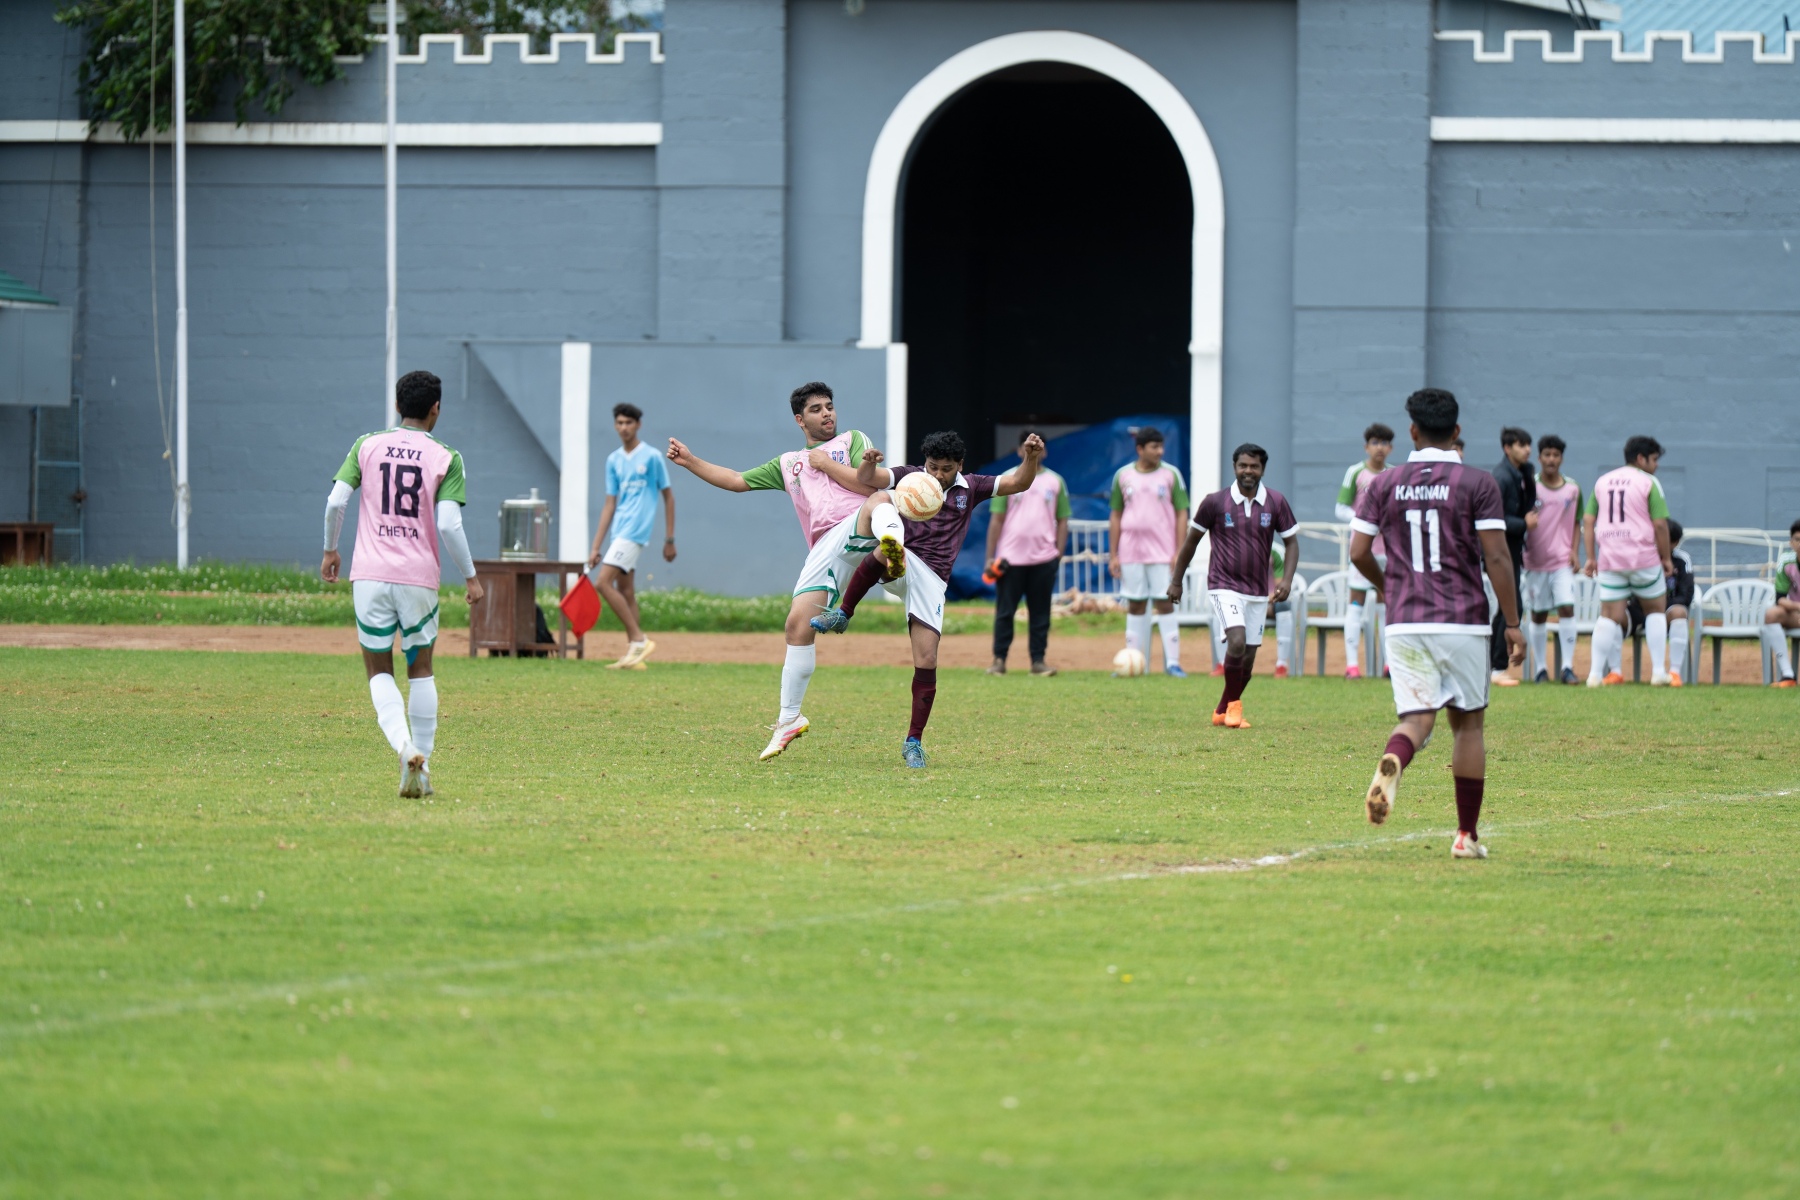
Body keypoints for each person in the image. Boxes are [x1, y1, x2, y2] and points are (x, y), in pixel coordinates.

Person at [667, 381, 892, 761]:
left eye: (829, 406)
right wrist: (690, 461)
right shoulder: (788, 464)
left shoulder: (852, 440)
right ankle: (789, 718)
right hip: (825, 547)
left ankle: (894, 551)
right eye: (817, 409)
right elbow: (736, 481)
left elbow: (866, 482)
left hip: (860, 522)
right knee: (797, 626)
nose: (827, 413)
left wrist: (827, 463)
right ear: (800, 420)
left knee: (881, 500)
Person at [1352, 387, 1523, 861]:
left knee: (1416, 719)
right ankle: (1466, 836)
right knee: (1468, 727)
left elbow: (1359, 552)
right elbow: (1497, 556)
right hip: (1462, 620)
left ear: (1412, 431)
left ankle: (1395, 757)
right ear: (1457, 430)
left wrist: (1389, 587)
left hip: (1406, 620)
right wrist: (1512, 622)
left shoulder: (1382, 484)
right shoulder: (1477, 482)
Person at [809, 430, 1046, 767]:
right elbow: (870, 479)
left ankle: (913, 743)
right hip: (903, 561)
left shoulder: (972, 487)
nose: (937, 475)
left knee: (927, 659)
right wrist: (868, 464)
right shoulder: (910, 477)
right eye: (932, 466)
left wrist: (1031, 458)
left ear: (959, 465)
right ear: (925, 463)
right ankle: (844, 612)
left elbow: (1018, 483)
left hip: (932, 580)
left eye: (946, 469)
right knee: (881, 504)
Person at [320, 370, 483, 798]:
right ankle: (422, 765)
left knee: (378, 670)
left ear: (397, 406)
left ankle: (403, 746)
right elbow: (448, 525)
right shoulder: (446, 456)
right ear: (436, 409)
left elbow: (336, 501)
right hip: (417, 577)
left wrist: (330, 549)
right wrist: (470, 576)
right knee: (421, 669)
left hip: (370, 575)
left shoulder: (366, 445)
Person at [1169, 444, 1299, 729]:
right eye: (1243, 465)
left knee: (1248, 659)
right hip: (1223, 585)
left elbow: (1291, 543)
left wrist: (1287, 580)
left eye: (1254, 466)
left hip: (1257, 591)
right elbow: (1191, 542)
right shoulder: (1215, 502)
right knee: (1237, 641)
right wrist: (1177, 581)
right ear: (1234, 467)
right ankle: (1234, 708)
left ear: (1262, 469)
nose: (1248, 471)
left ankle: (1222, 708)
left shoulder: (1276, 502)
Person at [585, 403, 675, 670]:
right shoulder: (613, 460)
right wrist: (596, 546)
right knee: (625, 591)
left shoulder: (652, 457)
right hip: (619, 531)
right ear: (615, 425)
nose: (624, 427)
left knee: (602, 583)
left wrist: (669, 539)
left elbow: (668, 497)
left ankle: (638, 639)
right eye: (620, 423)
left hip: (635, 531)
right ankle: (635, 657)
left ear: (638, 425)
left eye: (629, 423)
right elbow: (609, 504)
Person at [1582, 435, 1676, 687]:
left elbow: (1588, 520)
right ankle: (1658, 672)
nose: (1656, 465)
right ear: (1641, 459)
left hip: (1610, 558)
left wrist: (1590, 557)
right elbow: (1660, 524)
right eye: (1654, 459)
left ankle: (1594, 675)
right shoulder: (1649, 482)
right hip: (1643, 557)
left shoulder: (1602, 481)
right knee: (1655, 610)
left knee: (1608, 616)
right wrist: (1666, 557)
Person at [985, 429, 1069, 677]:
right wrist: (990, 557)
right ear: (1020, 450)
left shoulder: (1055, 481)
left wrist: (1058, 554)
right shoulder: (1008, 479)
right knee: (1005, 612)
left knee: (1041, 613)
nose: (1032, 450)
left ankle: (1038, 662)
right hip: (1009, 559)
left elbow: (1063, 519)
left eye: (1038, 446)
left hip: (1044, 559)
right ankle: (999, 660)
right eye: (1027, 445)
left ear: (1045, 451)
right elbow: (996, 520)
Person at [1108, 427, 1191, 677]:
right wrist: (1114, 554)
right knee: (1135, 604)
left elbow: (1182, 513)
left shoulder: (1171, 474)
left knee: (1165, 603)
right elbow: (1115, 515)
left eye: (1161, 446)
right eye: (1154, 447)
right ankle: (1133, 662)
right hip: (1131, 552)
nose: (1160, 451)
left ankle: (1173, 663)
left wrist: (1178, 551)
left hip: (1162, 553)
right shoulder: (1123, 475)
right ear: (1140, 449)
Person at [1334, 423, 1395, 679]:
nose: (1380, 448)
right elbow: (1341, 508)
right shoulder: (1355, 472)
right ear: (1366, 446)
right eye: (1375, 442)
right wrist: (1365, 522)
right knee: (1356, 605)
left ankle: (1389, 665)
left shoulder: (1394, 474)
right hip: (1362, 551)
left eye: (1384, 443)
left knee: (1386, 604)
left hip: (1387, 552)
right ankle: (1352, 666)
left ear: (1391, 448)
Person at [1522, 434, 1581, 683]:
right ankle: (1541, 670)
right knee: (1538, 614)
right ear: (1539, 458)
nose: (1551, 459)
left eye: (1556, 455)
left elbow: (1577, 522)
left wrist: (1574, 551)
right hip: (1534, 561)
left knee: (1567, 606)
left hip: (1561, 562)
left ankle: (1567, 668)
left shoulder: (1572, 489)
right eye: (1547, 454)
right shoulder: (1530, 486)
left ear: (1561, 459)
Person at [1489, 427, 1538, 687]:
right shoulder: (1502, 477)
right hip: (1501, 553)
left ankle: (1494, 667)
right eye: (1521, 445)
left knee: (1507, 608)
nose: (1527, 450)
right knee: (1511, 608)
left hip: (1512, 551)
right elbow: (1493, 519)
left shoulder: (1520, 473)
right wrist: (1523, 524)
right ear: (1507, 448)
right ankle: (1496, 667)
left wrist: (1528, 475)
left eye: (1528, 444)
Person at [1761, 518, 1800, 687]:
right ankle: (1788, 674)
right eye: (1798, 539)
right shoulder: (1786, 561)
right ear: (1791, 542)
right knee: (1772, 614)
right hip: (1796, 614)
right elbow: (1780, 598)